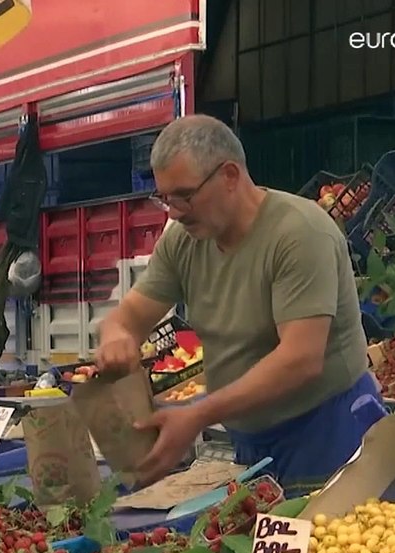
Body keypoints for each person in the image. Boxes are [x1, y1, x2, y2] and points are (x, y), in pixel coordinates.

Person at [96, 115, 374, 487]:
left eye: (185, 195)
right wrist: (117, 335)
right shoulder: (183, 242)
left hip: (328, 431)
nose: (174, 212)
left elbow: (301, 359)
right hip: (250, 439)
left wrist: (198, 414)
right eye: (164, 198)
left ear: (229, 175)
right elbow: (129, 315)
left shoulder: (298, 234)